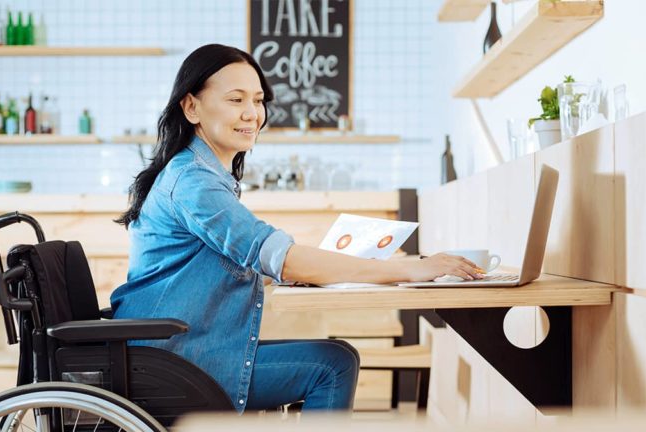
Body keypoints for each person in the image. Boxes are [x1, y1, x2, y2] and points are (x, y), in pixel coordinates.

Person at [111, 43, 482, 414]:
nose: (251, 114)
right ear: (192, 107)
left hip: (179, 353)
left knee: (332, 358)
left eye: (257, 101)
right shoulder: (194, 182)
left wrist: (304, 271)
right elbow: (279, 258)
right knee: (332, 365)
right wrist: (410, 269)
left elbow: (225, 266)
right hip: (172, 362)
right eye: (235, 100)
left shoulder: (199, 174)